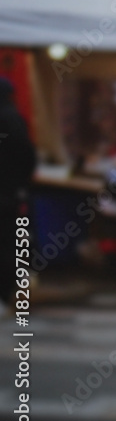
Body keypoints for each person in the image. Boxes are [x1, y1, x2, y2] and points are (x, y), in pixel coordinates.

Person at [0, 77, 37, 309]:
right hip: (11, 193)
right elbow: (27, 155)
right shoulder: (13, 118)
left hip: (7, 192)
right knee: (9, 243)